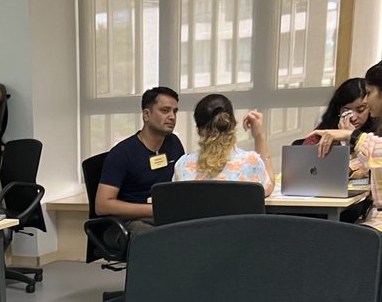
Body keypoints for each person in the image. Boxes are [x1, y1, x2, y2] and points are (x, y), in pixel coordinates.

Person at [309, 58, 382, 248]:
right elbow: (370, 163)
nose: (367, 101)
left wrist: (353, 136)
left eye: (369, 93)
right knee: (326, 237)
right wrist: (347, 141)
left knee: (329, 243)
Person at [94, 86, 185, 232]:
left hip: (165, 217)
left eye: (175, 111)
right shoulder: (122, 153)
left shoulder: (173, 143)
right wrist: (154, 210)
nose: (172, 117)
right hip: (131, 221)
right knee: (161, 238)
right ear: (146, 115)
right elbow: (102, 205)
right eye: (165, 110)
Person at [172, 93, 274, 196]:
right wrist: (260, 136)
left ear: (198, 130)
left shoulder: (182, 165)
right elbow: (269, 187)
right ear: (233, 124)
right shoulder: (252, 162)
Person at [302, 77, 371, 147]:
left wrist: (354, 137)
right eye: (346, 111)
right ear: (338, 110)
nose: (353, 118)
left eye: (360, 110)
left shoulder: (379, 136)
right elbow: (305, 154)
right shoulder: (326, 130)